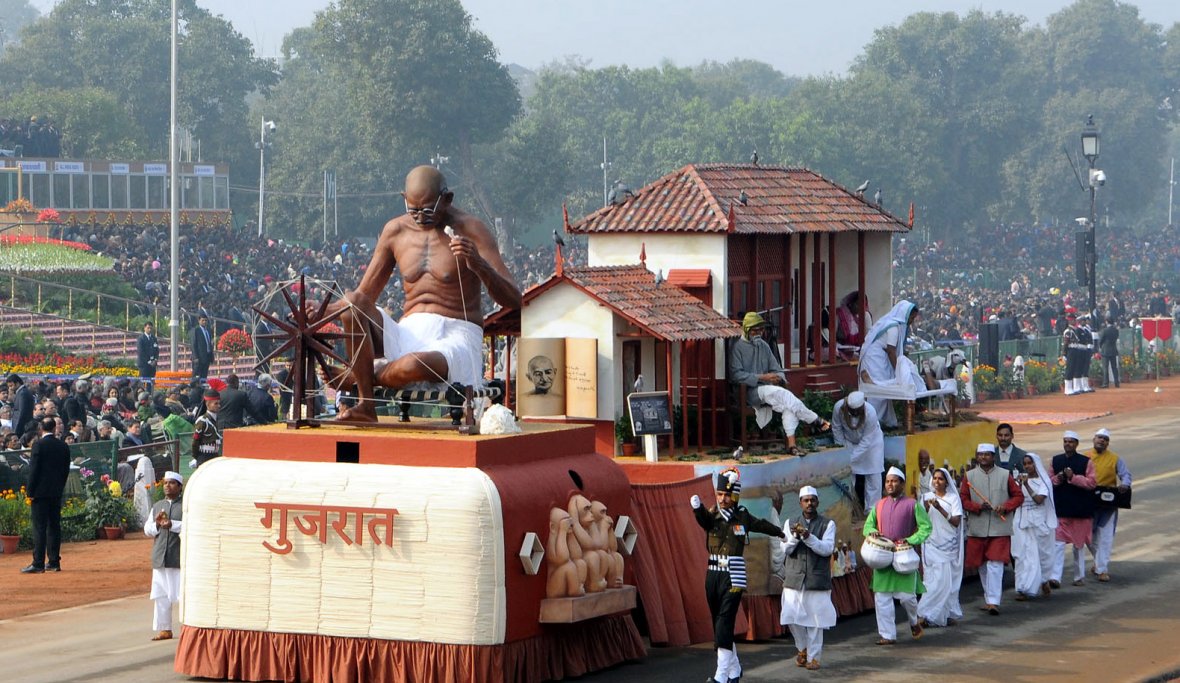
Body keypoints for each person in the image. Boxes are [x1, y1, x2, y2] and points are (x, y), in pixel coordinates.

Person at [318, 166, 522, 422]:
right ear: (404, 198)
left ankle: (359, 377)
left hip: (455, 336)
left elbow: (515, 300)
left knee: (414, 364)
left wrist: (478, 263)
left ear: (447, 199)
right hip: (408, 330)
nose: (420, 217)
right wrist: (321, 312)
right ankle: (366, 407)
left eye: (428, 210)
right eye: (413, 210)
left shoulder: (471, 229)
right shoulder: (395, 231)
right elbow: (365, 295)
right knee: (353, 303)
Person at [691, 467, 785, 683]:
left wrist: (779, 532)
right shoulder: (712, 515)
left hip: (734, 573)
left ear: (735, 495)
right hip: (713, 573)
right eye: (720, 494)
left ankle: (721, 676)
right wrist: (697, 508)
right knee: (718, 623)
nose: (723, 499)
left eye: (727, 495)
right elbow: (704, 520)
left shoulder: (742, 516)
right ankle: (734, 670)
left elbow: (760, 524)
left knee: (724, 622)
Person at [729, 312, 830, 455]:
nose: (758, 333)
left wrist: (779, 378)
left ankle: (792, 446)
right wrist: (763, 377)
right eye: (755, 330)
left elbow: (776, 368)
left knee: (788, 405)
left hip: (769, 390)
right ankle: (815, 419)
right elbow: (736, 375)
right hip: (750, 391)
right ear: (746, 329)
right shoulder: (738, 347)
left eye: (761, 330)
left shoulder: (764, 346)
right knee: (783, 394)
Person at [863, 466, 931, 645]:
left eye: (894, 481)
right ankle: (887, 635)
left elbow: (926, 527)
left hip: (903, 557)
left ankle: (914, 622)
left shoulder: (912, 505)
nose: (890, 484)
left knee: (907, 597)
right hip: (882, 557)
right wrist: (873, 532)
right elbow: (868, 526)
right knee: (882, 598)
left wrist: (911, 540)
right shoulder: (879, 505)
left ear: (902, 484)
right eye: (887, 481)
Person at [776, 486, 837, 671]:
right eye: (806, 500)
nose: (809, 503)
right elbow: (785, 548)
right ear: (800, 502)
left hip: (816, 580)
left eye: (812, 500)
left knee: (815, 621)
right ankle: (802, 648)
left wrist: (808, 537)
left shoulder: (828, 524)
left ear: (817, 502)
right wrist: (796, 536)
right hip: (794, 579)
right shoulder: (790, 522)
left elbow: (826, 549)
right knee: (790, 617)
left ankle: (814, 657)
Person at [959, 443, 1023, 614]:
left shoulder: (1004, 475)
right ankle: (989, 598)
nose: (984, 458)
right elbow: (963, 500)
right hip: (977, 527)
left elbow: (1018, 496)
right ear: (977, 456)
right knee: (982, 565)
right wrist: (978, 507)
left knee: (995, 564)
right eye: (981, 455)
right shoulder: (969, 476)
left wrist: (1005, 506)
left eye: (987, 454)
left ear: (993, 456)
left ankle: (994, 601)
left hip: (999, 527)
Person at [857, 300, 923, 427]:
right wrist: (899, 371)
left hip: (881, 358)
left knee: (885, 390)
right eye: (911, 318)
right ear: (904, 315)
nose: (911, 321)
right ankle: (873, 423)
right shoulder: (893, 327)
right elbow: (891, 351)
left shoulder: (895, 325)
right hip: (875, 359)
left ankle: (886, 422)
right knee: (878, 391)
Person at [1049, 430, 1097, 587]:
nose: (1067, 444)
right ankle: (1055, 577)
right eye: (1065, 441)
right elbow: (1048, 482)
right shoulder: (1056, 461)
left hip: (1080, 510)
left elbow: (1091, 483)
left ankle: (1079, 577)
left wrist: (1073, 478)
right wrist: (1059, 478)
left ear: (1077, 444)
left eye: (1071, 441)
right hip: (1061, 508)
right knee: (1058, 544)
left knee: (1078, 545)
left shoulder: (1086, 462)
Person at [22, 417, 70, 574]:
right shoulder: (63, 446)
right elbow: (65, 470)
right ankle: (54, 561)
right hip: (56, 492)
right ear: (55, 428)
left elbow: (33, 470)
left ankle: (38, 563)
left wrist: (30, 491)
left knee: (40, 528)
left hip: (40, 493)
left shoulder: (38, 445)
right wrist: (60, 487)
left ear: (41, 428)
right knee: (54, 526)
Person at [917, 467, 963, 627]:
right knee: (933, 580)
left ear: (946, 482)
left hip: (947, 545)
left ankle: (943, 613)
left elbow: (956, 522)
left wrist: (939, 508)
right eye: (935, 478)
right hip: (931, 544)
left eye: (940, 479)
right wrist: (928, 507)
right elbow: (920, 520)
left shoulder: (952, 498)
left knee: (945, 582)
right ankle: (925, 613)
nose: (937, 481)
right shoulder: (925, 497)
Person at [1085, 428, 1131, 582]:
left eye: (1105, 439)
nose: (1101, 441)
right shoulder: (1085, 457)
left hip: (1108, 504)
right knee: (1088, 536)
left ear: (1108, 442)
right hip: (1089, 502)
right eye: (1099, 437)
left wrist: (1125, 484)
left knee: (1105, 537)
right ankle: (1099, 563)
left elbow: (1125, 475)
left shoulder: (1115, 459)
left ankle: (1102, 569)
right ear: (1093, 439)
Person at [144, 471, 184, 641]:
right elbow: (147, 529)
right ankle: (164, 629)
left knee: (183, 595)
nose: (168, 486)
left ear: (180, 487)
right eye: (166, 483)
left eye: (172, 483)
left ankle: (189, 629)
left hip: (178, 557)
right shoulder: (157, 505)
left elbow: (192, 525)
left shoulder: (186, 506)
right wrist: (158, 525)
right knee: (160, 595)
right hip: (161, 557)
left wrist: (172, 524)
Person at [1013, 453, 1057, 599]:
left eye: (1029, 463)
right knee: (1024, 555)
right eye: (1025, 464)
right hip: (1022, 522)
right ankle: (1023, 588)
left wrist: (1026, 485)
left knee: (1042, 556)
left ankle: (1044, 580)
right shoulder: (1019, 481)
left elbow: (1039, 500)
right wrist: (1019, 484)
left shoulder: (1044, 482)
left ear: (1035, 464)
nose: (1027, 466)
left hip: (1039, 522)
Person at [830, 391, 883, 512]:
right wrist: (842, 452)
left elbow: (866, 441)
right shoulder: (838, 407)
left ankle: (872, 511)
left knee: (873, 476)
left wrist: (850, 458)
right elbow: (836, 429)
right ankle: (847, 510)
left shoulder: (871, 412)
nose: (854, 413)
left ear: (862, 407)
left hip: (871, 445)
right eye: (851, 410)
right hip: (848, 442)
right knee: (847, 475)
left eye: (856, 411)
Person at [192, 389, 223, 467]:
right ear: (208, 404)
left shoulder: (218, 419)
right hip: (204, 457)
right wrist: (197, 457)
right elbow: (195, 442)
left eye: (219, 403)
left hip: (215, 455)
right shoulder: (202, 421)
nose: (219, 406)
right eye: (216, 403)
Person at [6, 373, 35, 438]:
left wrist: (17, 430)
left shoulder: (23, 393)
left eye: (11, 386)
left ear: (17, 383)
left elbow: (22, 413)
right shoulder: (21, 392)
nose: (10, 389)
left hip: (21, 428)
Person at [190, 314, 215, 380]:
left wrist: (212, 356)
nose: (204, 322)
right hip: (199, 358)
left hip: (207, 357)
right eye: (202, 320)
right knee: (196, 377)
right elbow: (193, 344)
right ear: (199, 321)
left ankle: (203, 389)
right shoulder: (196, 330)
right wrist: (195, 357)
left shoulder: (208, 331)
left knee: (204, 376)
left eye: (206, 320)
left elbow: (209, 344)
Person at [1098, 316, 1120, 388]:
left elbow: (1100, 340)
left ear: (1107, 322)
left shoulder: (1105, 330)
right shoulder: (1116, 330)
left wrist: (1101, 346)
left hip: (1105, 350)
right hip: (1113, 349)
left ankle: (1105, 383)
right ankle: (1117, 382)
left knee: (1105, 367)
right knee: (1114, 367)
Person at [137, 321, 159, 386]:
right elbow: (141, 352)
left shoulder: (154, 338)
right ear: (144, 328)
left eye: (150, 328)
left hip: (152, 366)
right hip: (144, 365)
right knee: (143, 383)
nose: (149, 330)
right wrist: (149, 361)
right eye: (148, 328)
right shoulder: (141, 339)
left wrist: (155, 360)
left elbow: (157, 350)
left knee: (151, 383)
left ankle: (150, 394)